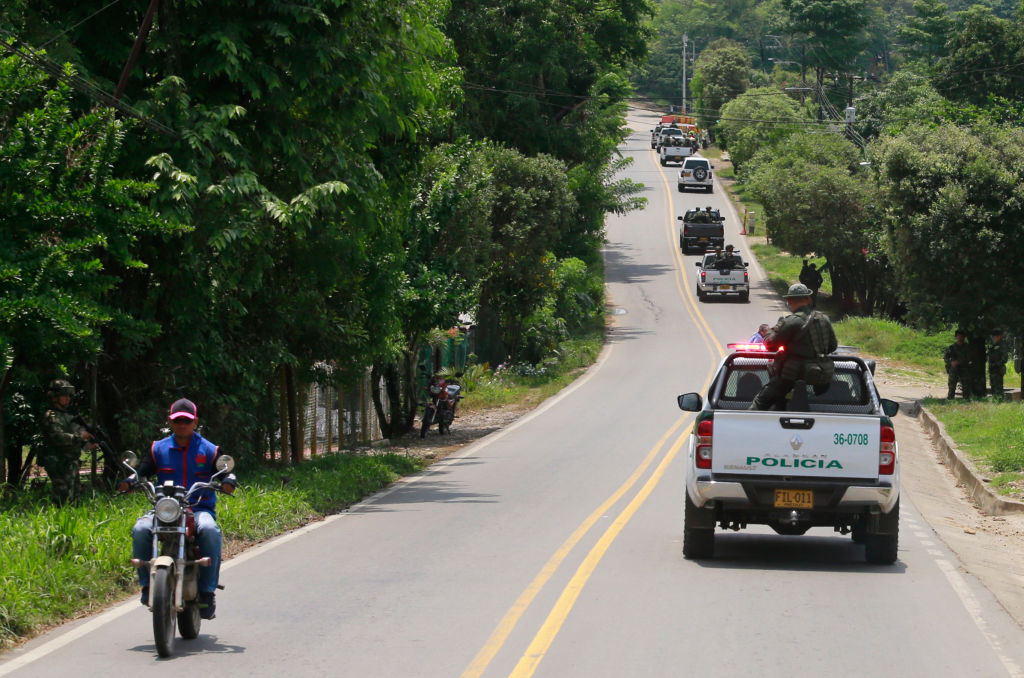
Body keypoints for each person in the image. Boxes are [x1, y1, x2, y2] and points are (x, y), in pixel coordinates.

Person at [123, 398, 235, 619]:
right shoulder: (159, 448)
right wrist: (130, 481)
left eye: (186, 420)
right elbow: (143, 470)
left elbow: (225, 472)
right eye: (177, 421)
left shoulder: (210, 450)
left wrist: (229, 481)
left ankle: (207, 592)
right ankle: (147, 586)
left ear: (195, 422)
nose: (182, 424)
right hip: (165, 508)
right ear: (170, 422)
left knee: (211, 531)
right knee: (141, 530)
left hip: (199, 508)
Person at [749, 283, 838, 411]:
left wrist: (773, 330)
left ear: (789, 300)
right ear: (808, 299)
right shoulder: (824, 319)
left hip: (790, 376)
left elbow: (769, 345)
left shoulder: (791, 321)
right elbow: (833, 346)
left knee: (761, 401)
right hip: (822, 376)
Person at [38, 379, 95, 505]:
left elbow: (76, 437)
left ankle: (69, 522)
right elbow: (58, 437)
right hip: (58, 461)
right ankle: (57, 522)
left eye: (69, 395)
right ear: (55, 397)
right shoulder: (50, 415)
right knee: (61, 497)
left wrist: (86, 444)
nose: (68, 398)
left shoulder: (68, 416)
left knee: (74, 497)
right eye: (64, 395)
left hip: (70, 462)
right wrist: (80, 437)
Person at [944, 329, 972, 399]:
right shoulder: (952, 347)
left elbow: (970, 358)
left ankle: (966, 400)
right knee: (952, 386)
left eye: (961, 336)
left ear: (964, 337)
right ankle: (950, 399)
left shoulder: (967, 347)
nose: (960, 338)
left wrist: (959, 361)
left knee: (966, 387)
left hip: (964, 369)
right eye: (958, 336)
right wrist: (951, 362)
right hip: (954, 369)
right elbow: (946, 358)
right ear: (956, 337)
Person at [988, 329, 1008, 400]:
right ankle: (995, 400)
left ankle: (1000, 400)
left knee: (998, 387)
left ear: (1000, 336)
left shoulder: (1003, 345)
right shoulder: (993, 346)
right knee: (993, 387)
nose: (995, 338)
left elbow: (1004, 359)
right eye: (994, 336)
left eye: (996, 336)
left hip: (998, 370)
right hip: (992, 370)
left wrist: (995, 364)